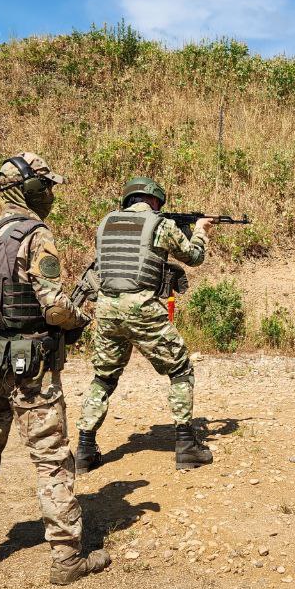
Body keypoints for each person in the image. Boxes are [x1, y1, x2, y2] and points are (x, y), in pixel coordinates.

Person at [0, 153, 110, 585]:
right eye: (47, 186)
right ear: (33, 189)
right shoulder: (36, 236)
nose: (51, 194)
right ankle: (67, 559)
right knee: (52, 460)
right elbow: (53, 307)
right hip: (28, 365)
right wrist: (80, 318)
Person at [76, 177, 216, 472]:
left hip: (106, 308)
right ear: (155, 200)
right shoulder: (160, 225)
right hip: (142, 307)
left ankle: (85, 449)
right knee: (179, 369)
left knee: (103, 377)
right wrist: (201, 231)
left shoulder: (106, 224)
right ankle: (186, 445)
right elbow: (194, 257)